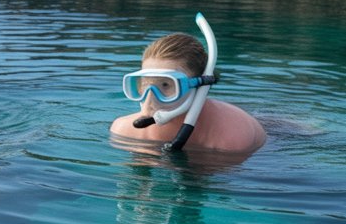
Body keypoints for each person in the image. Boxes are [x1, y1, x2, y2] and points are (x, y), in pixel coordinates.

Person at [110, 32, 266, 154]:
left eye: (166, 84)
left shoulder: (231, 136)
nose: (150, 99)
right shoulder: (124, 130)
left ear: (200, 85)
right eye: (144, 84)